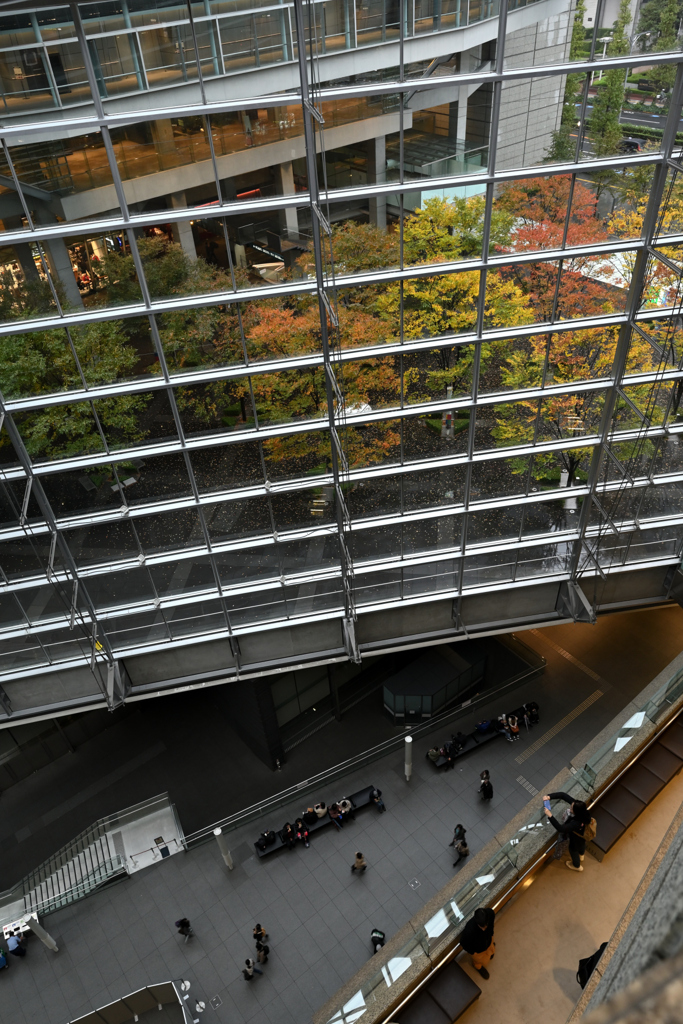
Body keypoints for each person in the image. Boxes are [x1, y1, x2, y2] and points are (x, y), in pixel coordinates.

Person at [543, 792, 592, 871]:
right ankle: (582, 855)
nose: (570, 807)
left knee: (573, 850)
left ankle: (577, 866)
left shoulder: (576, 823)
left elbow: (561, 828)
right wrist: (549, 797)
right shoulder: (583, 811)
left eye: (572, 808)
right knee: (582, 844)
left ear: (576, 812)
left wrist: (550, 815)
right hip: (583, 835)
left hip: (575, 839)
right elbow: (563, 795)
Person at [460, 907, 496, 979]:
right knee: (479, 961)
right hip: (478, 951)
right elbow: (463, 943)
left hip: (488, 940)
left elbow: (491, 925)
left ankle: (490, 952)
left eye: (486, 925)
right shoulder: (469, 930)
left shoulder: (491, 913)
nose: (484, 929)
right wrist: (473, 952)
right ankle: (478, 967)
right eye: (482, 927)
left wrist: (491, 933)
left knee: (491, 947)